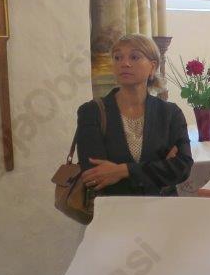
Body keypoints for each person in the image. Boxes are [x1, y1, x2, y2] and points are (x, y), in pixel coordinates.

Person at [77, 34, 193, 196]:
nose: (124, 63)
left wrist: (123, 171)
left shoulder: (170, 113)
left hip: (161, 207)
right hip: (113, 207)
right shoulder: (92, 112)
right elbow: (94, 175)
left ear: (152, 67)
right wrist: (158, 169)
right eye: (117, 57)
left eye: (134, 57)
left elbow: (182, 168)